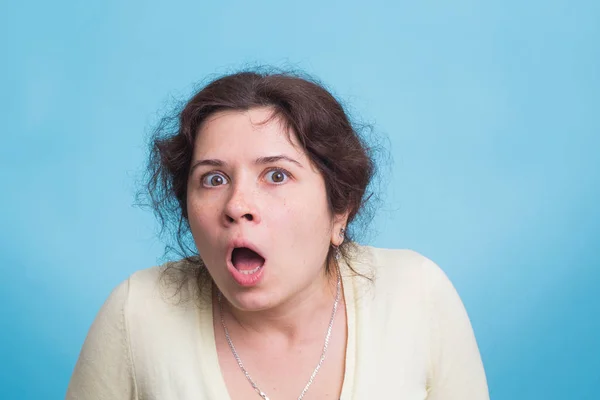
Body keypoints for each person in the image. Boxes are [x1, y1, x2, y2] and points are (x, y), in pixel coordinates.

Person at [66, 70, 489, 400]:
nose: (236, 205)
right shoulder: (137, 313)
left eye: (276, 175)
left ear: (340, 209)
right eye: (213, 179)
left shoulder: (418, 296)